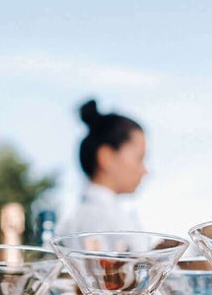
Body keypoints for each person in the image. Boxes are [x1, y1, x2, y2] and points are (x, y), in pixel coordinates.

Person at [57, 99, 148, 235]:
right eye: (139, 159)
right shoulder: (104, 220)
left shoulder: (74, 219)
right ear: (107, 157)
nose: (145, 170)